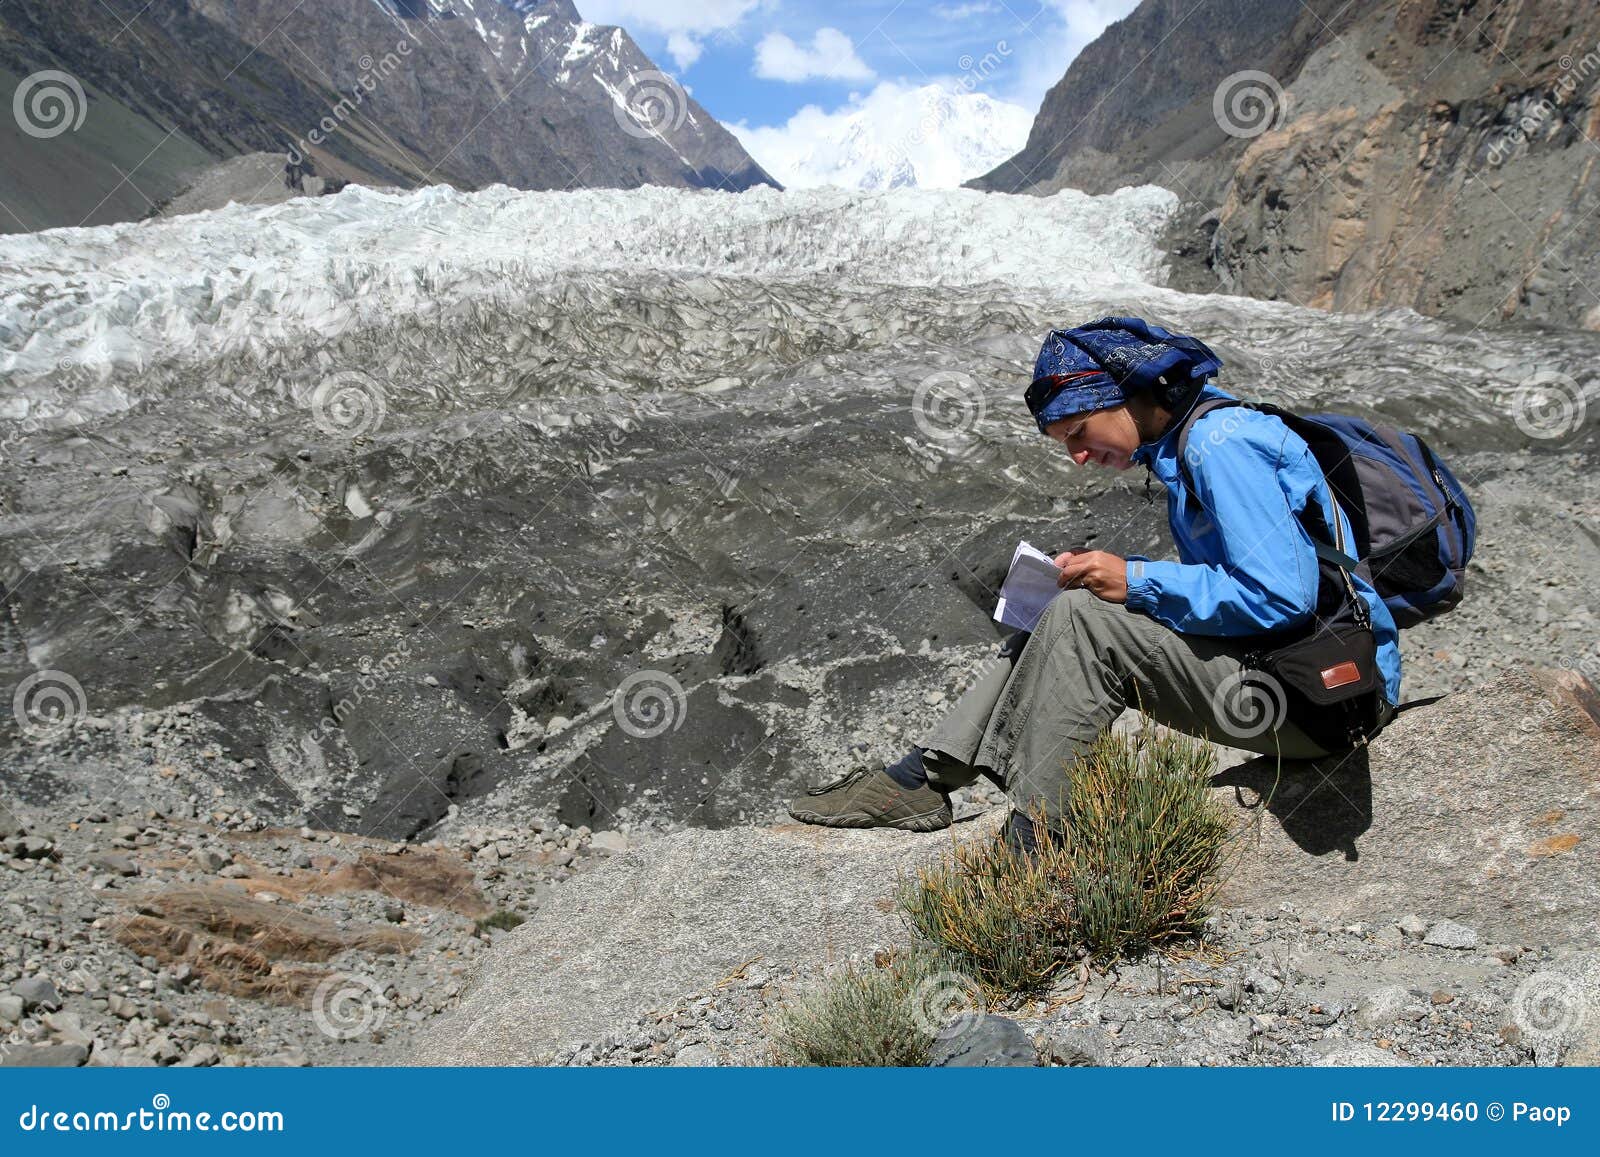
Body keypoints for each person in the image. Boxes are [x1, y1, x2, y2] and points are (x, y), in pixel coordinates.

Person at [788, 317, 1402, 849]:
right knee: (1077, 602)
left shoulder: (1222, 445)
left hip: (1326, 701)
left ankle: (1041, 842)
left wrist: (1136, 582)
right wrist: (1120, 580)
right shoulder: (1193, 443)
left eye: (1079, 432)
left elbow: (1280, 599)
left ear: (1128, 393)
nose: (1078, 456)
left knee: (1084, 620)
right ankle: (921, 777)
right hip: (1292, 680)